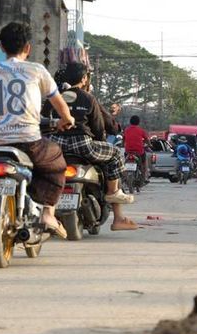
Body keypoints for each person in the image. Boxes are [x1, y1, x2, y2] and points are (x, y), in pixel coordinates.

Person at [0, 21, 76, 237]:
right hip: (29, 142)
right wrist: (67, 119)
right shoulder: (37, 70)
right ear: (28, 48)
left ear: (1, 46)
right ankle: (48, 212)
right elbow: (60, 105)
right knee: (55, 163)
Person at [46, 62, 139, 231]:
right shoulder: (88, 98)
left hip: (56, 146)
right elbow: (97, 128)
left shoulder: (54, 97)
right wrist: (99, 140)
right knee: (116, 153)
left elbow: (44, 121)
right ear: (83, 79)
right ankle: (112, 192)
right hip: (83, 145)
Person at [122, 115, 149, 182]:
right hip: (139, 151)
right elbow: (146, 139)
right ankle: (144, 176)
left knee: (124, 162)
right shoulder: (141, 130)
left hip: (128, 151)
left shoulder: (126, 130)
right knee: (143, 162)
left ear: (130, 122)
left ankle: (124, 176)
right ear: (138, 122)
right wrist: (149, 144)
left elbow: (123, 139)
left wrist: (123, 145)